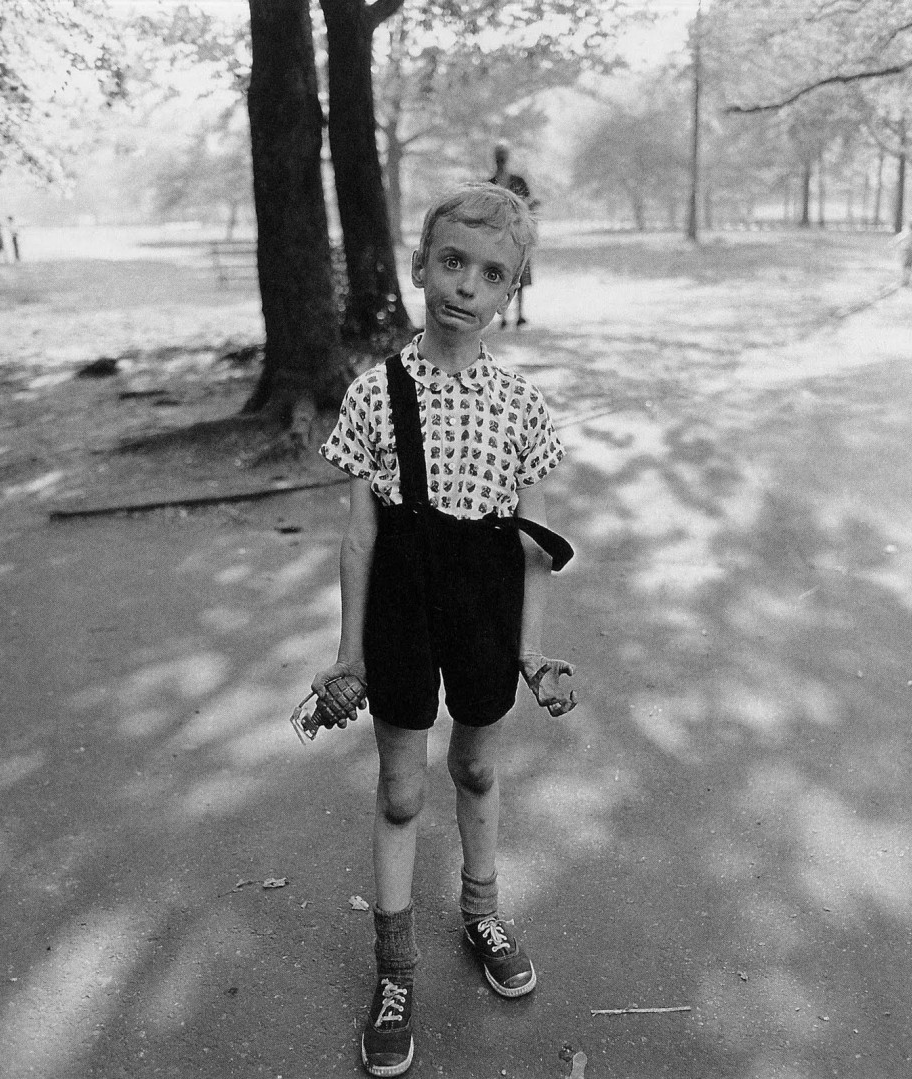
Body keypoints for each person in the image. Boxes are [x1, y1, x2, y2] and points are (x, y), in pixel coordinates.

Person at [311, 182, 577, 1078]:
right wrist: (348, 653)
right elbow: (358, 537)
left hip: (484, 610)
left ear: (512, 292)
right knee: (399, 790)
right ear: (421, 264)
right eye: (452, 262)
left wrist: (532, 650)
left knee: (474, 766)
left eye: (491, 273)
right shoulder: (374, 394)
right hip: (398, 608)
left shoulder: (523, 410)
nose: (466, 285)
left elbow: (536, 546)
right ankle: (394, 970)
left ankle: (482, 909)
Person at [488, 145, 538, 328]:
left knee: (520, 276)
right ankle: (503, 316)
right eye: (498, 157)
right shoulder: (490, 183)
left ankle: (520, 314)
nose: (501, 160)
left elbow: (529, 204)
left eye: (503, 157)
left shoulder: (518, 181)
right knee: (500, 276)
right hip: (498, 237)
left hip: (518, 235)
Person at [892, 219, 912, 285]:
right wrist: (894, 242)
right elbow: (900, 238)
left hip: (910, 251)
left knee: (907, 265)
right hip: (908, 251)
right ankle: (905, 278)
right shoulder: (909, 234)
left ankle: (906, 279)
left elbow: (900, 238)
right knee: (906, 265)